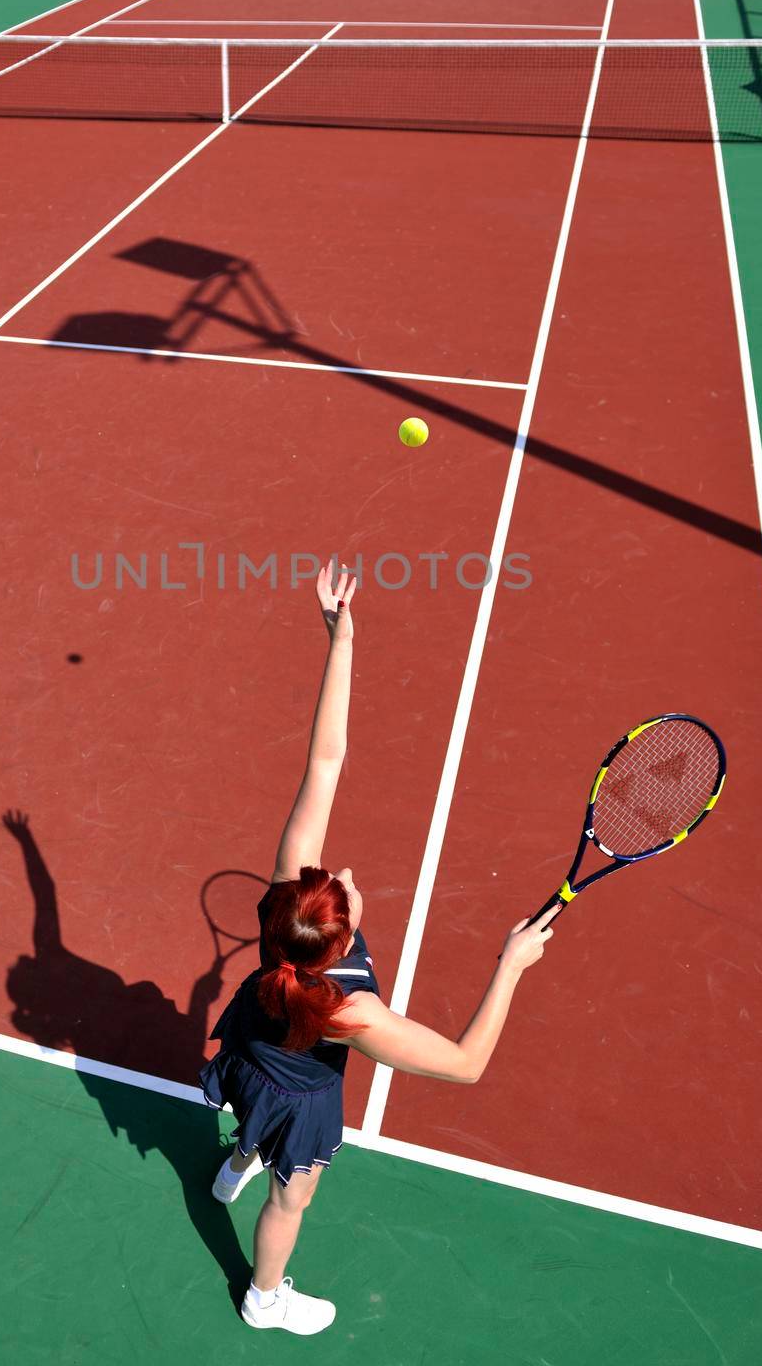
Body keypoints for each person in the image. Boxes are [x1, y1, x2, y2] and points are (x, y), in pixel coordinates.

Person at [200, 564, 559, 1335]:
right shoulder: (353, 1011)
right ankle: (265, 1298)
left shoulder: (279, 909)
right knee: (291, 1199)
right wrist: (510, 967)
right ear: (342, 935)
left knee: (247, 1109)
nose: (348, 874)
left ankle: (235, 1158)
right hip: (299, 1099)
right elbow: (465, 1065)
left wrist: (342, 637)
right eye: (347, 889)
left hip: (253, 1052)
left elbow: (324, 761)